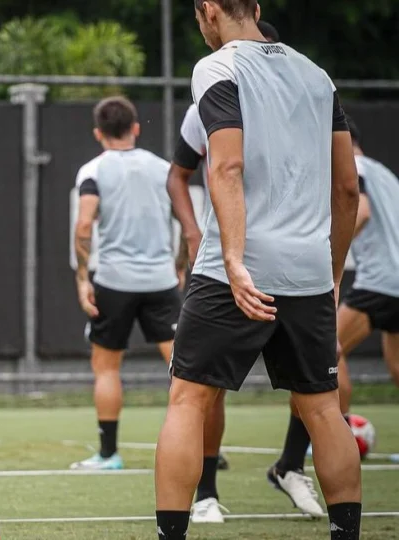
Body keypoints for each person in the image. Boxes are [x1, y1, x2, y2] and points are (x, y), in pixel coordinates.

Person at [154, 1, 362, 539]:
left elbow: (226, 163)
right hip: (309, 272)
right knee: (322, 409)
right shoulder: (316, 74)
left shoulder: (218, 66)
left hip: (236, 272)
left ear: (210, 9)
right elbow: (347, 188)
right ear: (258, 8)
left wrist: (232, 259)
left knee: (187, 400)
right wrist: (331, 272)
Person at [166, 19, 282, 521]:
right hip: (254, 261)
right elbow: (181, 174)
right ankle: (208, 493)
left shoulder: (302, 94)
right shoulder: (214, 99)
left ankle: (293, 466)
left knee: (190, 393)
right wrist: (193, 233)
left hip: (253, 262)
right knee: (200, 388)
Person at [268, 114, 399, 513]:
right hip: (395, 281)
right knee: (396, 367)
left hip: (380, 282)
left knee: (325, 356)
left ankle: (295, 460)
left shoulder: (354, 168)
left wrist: (325, 258)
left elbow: (359, 212)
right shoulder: (386, 174)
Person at [71, 96, 182, 471]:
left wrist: (83, 277)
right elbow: (188, 222)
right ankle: (198, 445)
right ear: (135, 128)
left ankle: (108, 454)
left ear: (98, 133)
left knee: (106, 369)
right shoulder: (164, 168)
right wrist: (180, 267)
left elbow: (85, 224)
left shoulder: (93, 170)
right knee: (185, 369)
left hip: (114, 281)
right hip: (161, 280)